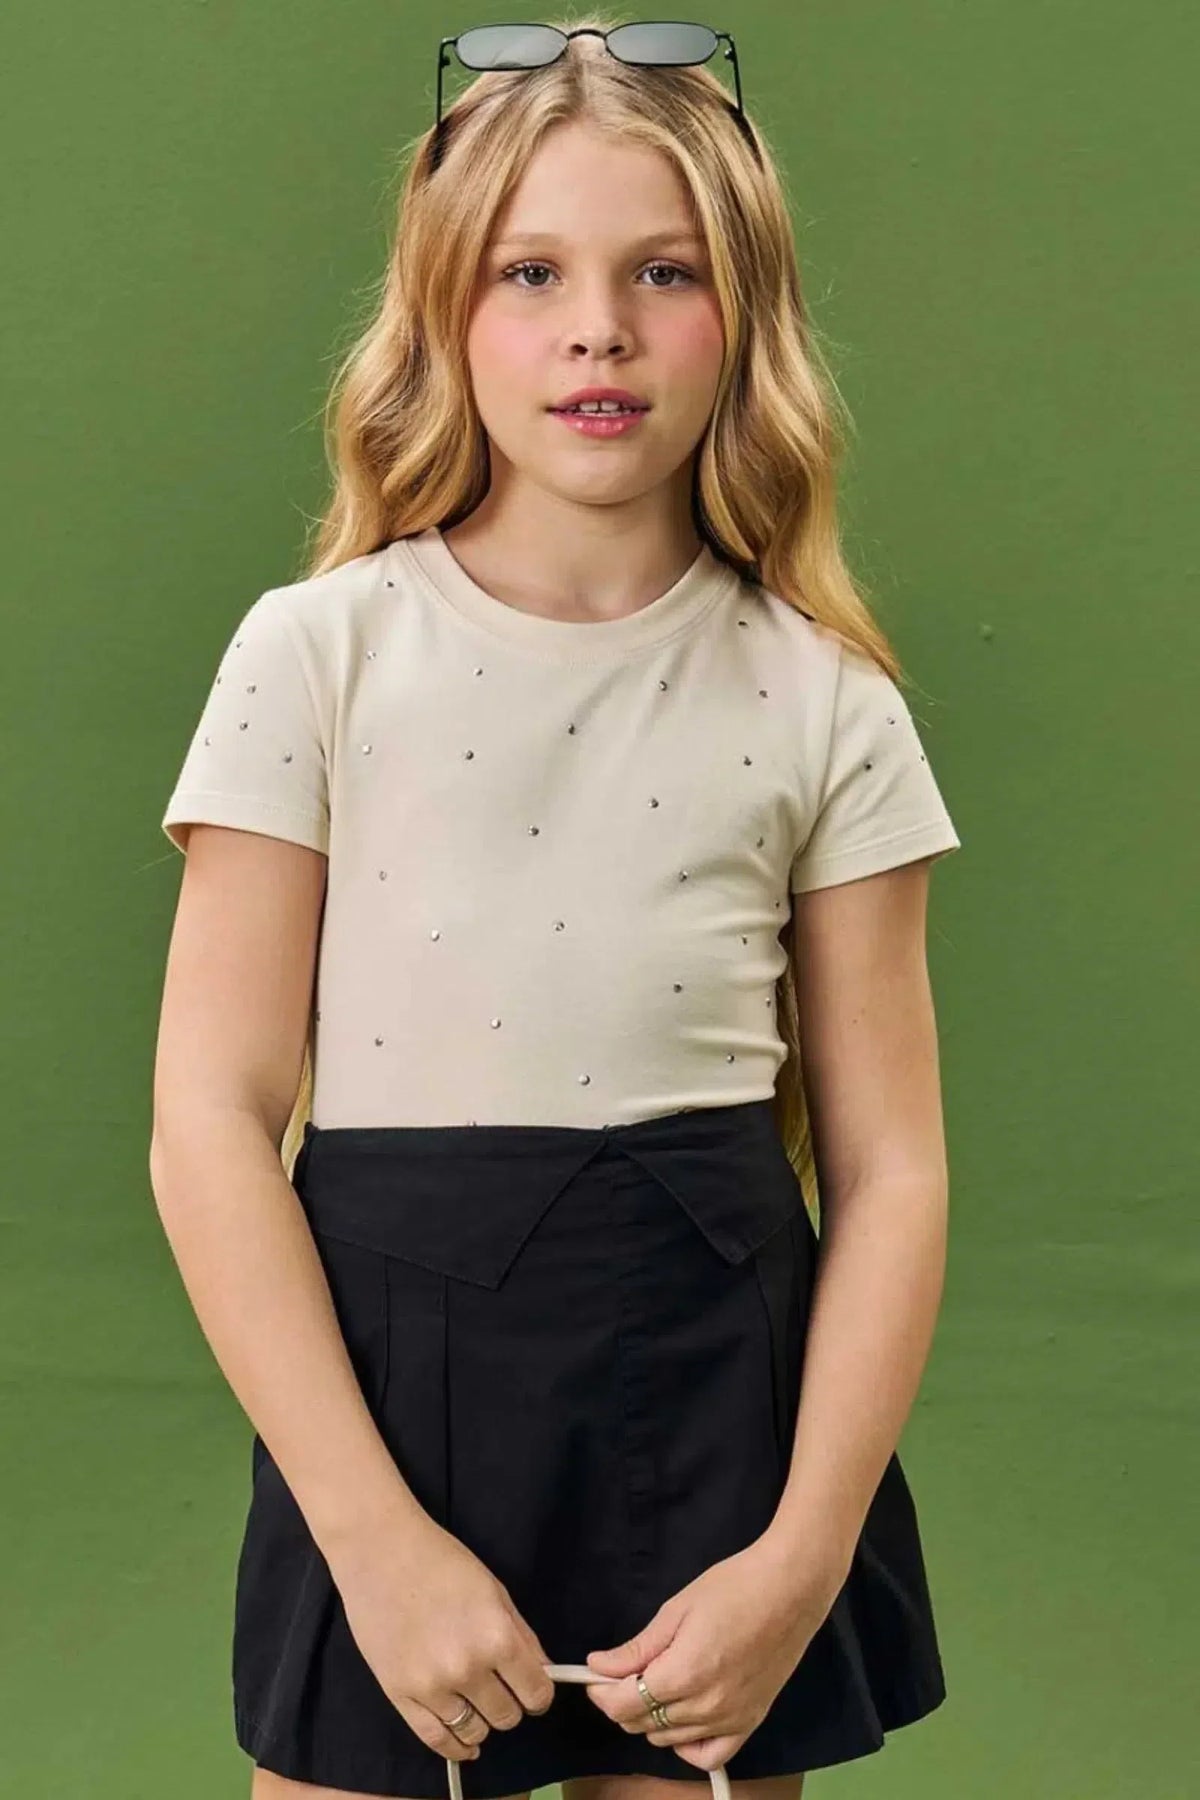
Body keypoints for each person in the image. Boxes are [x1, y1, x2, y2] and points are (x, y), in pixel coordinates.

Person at [149, 15, 963, 1800]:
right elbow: (207, 1121)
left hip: (718, 1389)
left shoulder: (828, 701)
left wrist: (802, 1554)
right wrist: (374, 1540)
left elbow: (894, 1168)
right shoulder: (316, 654)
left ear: (745, 315)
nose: (599, 327)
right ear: (443, 314)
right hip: (385, 1406)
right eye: (531, 273)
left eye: (663, 272)